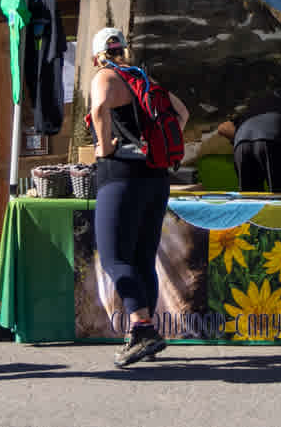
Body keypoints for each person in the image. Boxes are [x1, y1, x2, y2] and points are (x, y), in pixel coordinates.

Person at [90, 27, 189, 367]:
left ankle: (142, 327)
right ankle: (144, 331)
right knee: (143, 257)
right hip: (156, 176)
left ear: (97, 56)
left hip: (120, 175)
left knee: (114, 258)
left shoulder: (105, 76)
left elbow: (100, 105)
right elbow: (183, 114)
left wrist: (104, 148)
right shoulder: (144, 80)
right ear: (124, 51)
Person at [216, 88, 281, 194]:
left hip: (242, 140)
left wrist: (251, 141)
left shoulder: (257, 104)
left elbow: (223, 128)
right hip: (274, 135)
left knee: (251, 202)